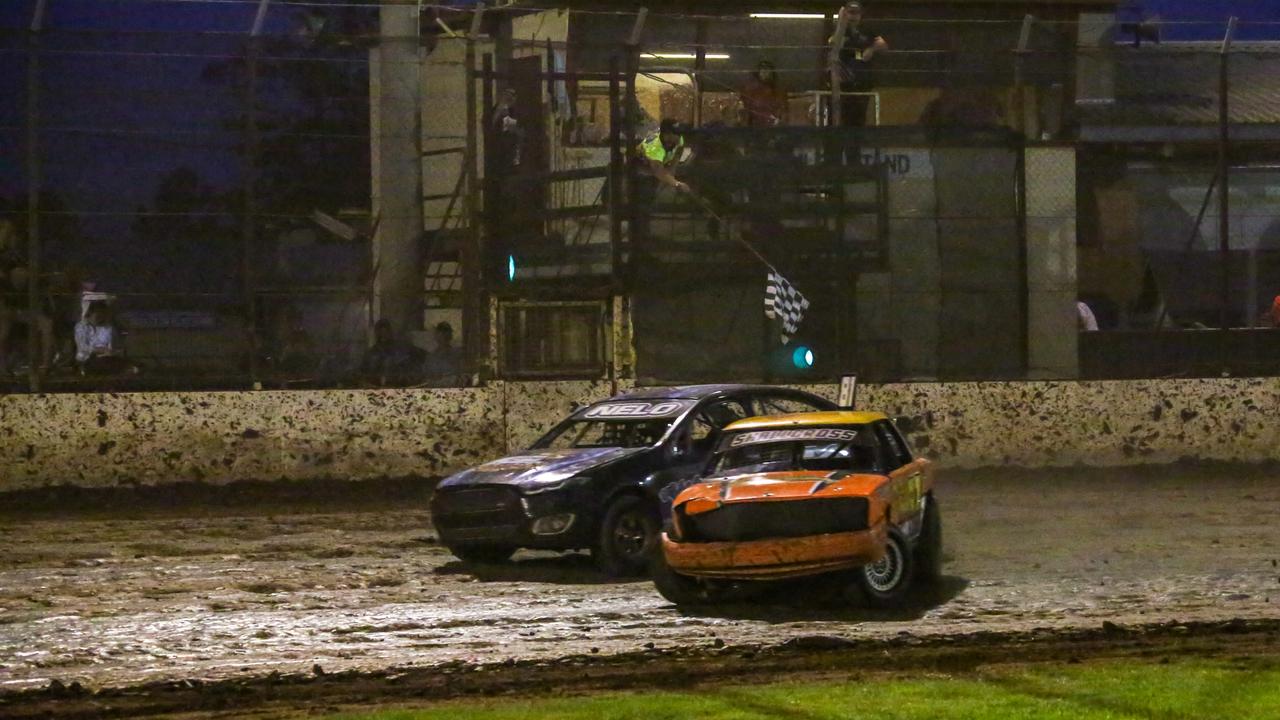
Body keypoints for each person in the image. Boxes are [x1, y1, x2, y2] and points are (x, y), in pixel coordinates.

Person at [632, 118, 691, 247]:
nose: (678, 136)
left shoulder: (678, 139)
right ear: (666, 134)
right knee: (642, 204)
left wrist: (670, 176)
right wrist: (676, 183)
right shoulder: (655, 147)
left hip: (655, 170)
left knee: (650, 201)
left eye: (678, 133)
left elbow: (677, 155)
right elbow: (657, 170)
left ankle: (644, 237)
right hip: (639, 173)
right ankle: (640, 240)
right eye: (674, 133)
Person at [833, 1, 888, 127]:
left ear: (860, 15)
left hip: (862, 80)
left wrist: (871, 49)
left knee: (859, 117)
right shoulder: (839, 29)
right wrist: (841, 25)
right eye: (850, 13)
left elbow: (883, 45)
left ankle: (855, 146)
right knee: (842, 117)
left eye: (856, 13)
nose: (853, 17)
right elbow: (834, 45)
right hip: (843, 82)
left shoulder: (867, 30)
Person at [0, 262, 55, 377]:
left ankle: (45, 366)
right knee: (2, 331)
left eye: (23, 276)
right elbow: (3, 308)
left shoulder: (35, 285)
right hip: (9, 314)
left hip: (30, 313)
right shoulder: (3, 285)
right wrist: (10, 313)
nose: (19, 279)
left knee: (47, 326)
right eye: (16, 276)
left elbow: (41, 307)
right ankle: (2, 368)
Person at [74, 300, 134, 375]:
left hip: (106, 357)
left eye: (102, 316)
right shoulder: (81, 327)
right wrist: (98, 350)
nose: (100, 319)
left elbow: (111, 345)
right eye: (98, 316)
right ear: (90, 314)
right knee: (107, 364)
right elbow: (82, 347)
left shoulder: (107, 327)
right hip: (87, 358)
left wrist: (111, 351)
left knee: (116, 361)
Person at [361, 319, 424, 387]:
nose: (383, 335)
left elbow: (411, 369)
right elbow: (364, 373)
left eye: (385, 332)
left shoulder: (400, 350)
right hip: (374, 389)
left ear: (390, 333)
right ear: (376, 334)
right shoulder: (371, 354)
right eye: (380, 332)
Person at [740, 60, 789, 127]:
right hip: (755, 128)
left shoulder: (779, 91)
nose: (765, 73)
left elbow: (783, 109)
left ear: (772, 73)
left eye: (767, 70)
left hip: (774, 127)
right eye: (762, 70)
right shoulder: (751, 91)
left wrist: (779, 121)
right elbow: (746, 110)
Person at [423, 321, 464, 386]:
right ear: (437, 336)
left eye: (446, 333)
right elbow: (426, 377)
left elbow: (460, 375)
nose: (444, 337)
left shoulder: (457, 354)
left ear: (450, 336)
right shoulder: (430, 357)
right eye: (441, 333)